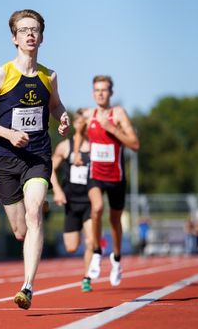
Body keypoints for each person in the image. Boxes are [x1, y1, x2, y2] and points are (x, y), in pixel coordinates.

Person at [0, 9, 70, 310]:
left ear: (41, 36)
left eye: (35, 29)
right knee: (20, 230)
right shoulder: (0, 74)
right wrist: (7, 133)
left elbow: (55, 106)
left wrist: (63, 117)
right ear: (14, 38)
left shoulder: (49, 76)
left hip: (37, 155)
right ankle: (31, 225)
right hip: (4, 158)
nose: (30, 34)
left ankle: (27, 287)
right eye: (24, 29)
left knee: (34, 214)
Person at [73, 75, 139, 287]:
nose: (100, 93)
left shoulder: (118, 114)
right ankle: (97, 252)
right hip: (96, 174)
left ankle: (117, 258)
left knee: (115, 221)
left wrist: (112, 129)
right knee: (97, 208)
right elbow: (78, 132)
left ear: (111, 93)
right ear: (93, 93)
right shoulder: (87, 114)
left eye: (104, 90)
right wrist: (75, 152)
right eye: (97, 90)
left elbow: (135, 144)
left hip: (116, 177)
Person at [51, 109, 94, 292]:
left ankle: (87, 278)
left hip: (90, 200)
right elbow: (49, 169)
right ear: (74, 124)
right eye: (78, 122)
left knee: (91, 241)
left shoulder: (94, 147)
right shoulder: (65, 147)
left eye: (85, 122)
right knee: (71, 247)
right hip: (71, 201)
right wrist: (58, 191)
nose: (81, 125)